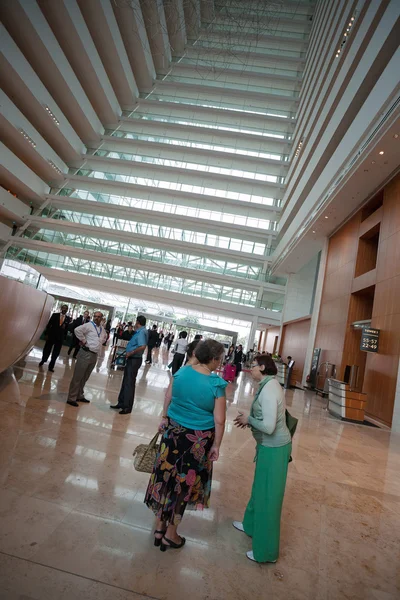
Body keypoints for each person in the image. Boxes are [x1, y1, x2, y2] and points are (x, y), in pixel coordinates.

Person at [145, 339, 227, 551]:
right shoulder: (216, 384)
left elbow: (168, 396)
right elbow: (219, 420)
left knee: (166, 476)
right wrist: (217, 444)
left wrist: (164, 416)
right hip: (197, 440)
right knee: (183, 483)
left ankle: (159, 527)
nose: (221, 362)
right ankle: (171, 534)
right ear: (215, 358)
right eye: (221, 358)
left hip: (173, 433)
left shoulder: (181, 372)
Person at [233, 354, 292, 563]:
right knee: (260, 488)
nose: (251, 369)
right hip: (267, 446)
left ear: (263, 367)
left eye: (254, 366)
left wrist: (248, 419)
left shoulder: (269, 390)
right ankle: (250, 525)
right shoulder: (269, 384)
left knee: (269, 497)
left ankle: (266, 552)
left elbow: (269, 427)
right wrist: (249, 420)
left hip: (275, 449)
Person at [66, 311, 107, 407]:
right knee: (78, 376)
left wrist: (100, 343)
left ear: (102, 318)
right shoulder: (88, 325)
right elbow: (77, 330)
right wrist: (84, 340)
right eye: (95, 316)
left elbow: (104, 337)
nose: (96, 318)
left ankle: (79, 395)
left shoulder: (102, 329)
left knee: (85, 377)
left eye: (98, 317)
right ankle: (71, 398)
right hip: (85, 353)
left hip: (94, 355)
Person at [110, 315, 148, 414]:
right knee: (126, 381)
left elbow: (142, 346)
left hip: (134, 359)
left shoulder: (141, 332)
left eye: (136, 322)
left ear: (138, 322)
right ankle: (121, 402)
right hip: (132, 359)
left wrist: (131, 352)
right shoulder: (140, 332)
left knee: (129, 383)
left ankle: (127, 407)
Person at [39, 304, 71, 372]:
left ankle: (51, 366)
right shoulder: (55, 315)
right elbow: (49, 324)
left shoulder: (68, 319)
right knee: (47, 349)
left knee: (56, 353)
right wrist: (46, 333)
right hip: (52, 336)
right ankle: (43, 360)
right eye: (63, 308)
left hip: (60, 338)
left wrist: (64, 336)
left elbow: (67, 329)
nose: (64, 310)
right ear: (61, 308)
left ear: (67, 310)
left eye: (66, 309)